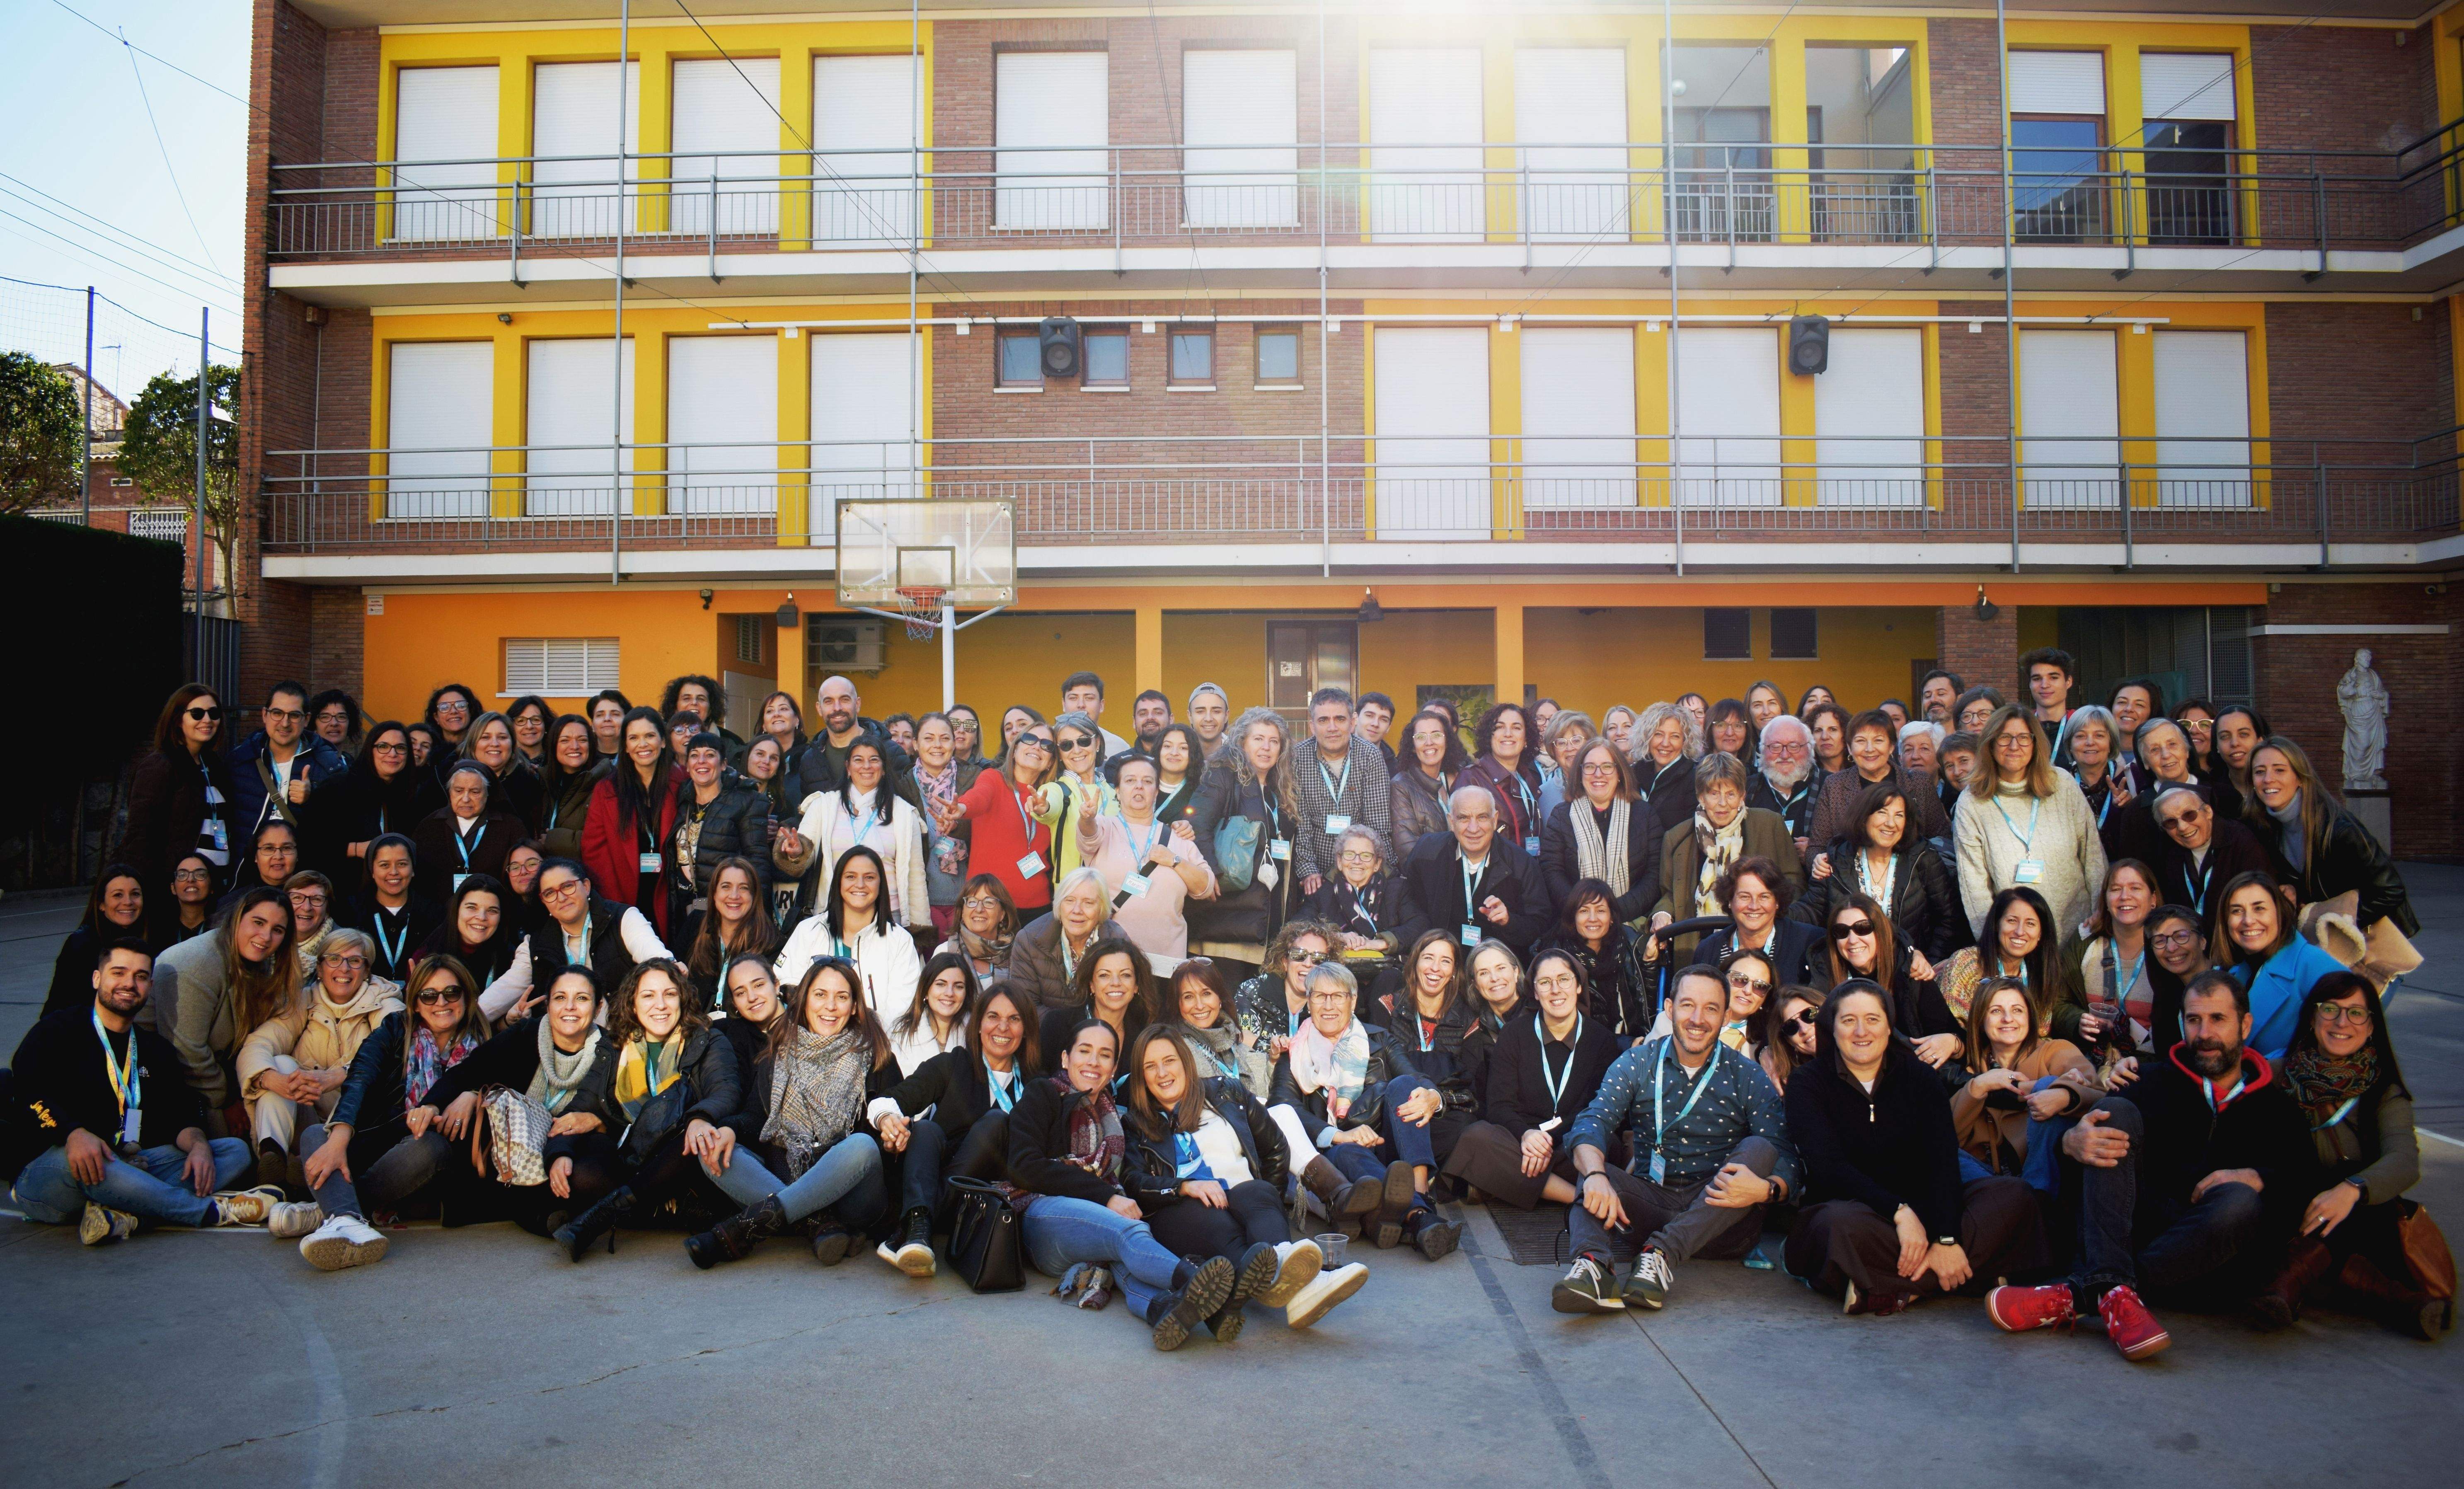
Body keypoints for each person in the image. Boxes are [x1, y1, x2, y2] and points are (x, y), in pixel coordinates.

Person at [1986, 971, 2309, 1360]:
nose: (2204, 1033)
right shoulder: (2149, 1082)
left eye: (2218, 1019)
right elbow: (2088, 1170)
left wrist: (2258, 1177)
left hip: (2205, 1266)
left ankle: (2090, 1292)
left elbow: (2302, 1188)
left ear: (2245, 1024)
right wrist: (2069, 1144)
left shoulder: (2279, 1109)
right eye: (2194, 1020)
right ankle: (2114, 1292)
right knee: (2114, 1112)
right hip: (2132, 1236)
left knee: (2239, 1200)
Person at [1784, 979, 2046, 1316]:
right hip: (1858, 1211)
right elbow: (1829, 1168)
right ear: (1831, 1028)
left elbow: (1942, 1160)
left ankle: (1892, 1288)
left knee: (2014, 1196)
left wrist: (1946, 1238)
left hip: (1926, 1210)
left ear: (1889, 1026)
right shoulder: (1807, 1084)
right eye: (1849, 1020)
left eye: (1873, 1019)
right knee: (1835, 1227)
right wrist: (1899, 1212)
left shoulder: (1920, 1077)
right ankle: (1975, 1277)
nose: (1861, 1031)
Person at [1552, 963, 1800, 1313]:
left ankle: (1662, 1254)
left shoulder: (1746, 1074)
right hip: (1652, 1202)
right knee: (1593, 1168)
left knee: (1760, 1149)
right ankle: (1595, 1268)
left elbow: (1787, 1152)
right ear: (1669, 1009)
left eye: (1711, 1008)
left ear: (1726, 1015)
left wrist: (1767, 1189)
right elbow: (1593, 1121)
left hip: (1720, 1219)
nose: (1697, 1018)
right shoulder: (1637, 1062)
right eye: (1687, 1005)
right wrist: (1595, 1175)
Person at [1004, 1017, 1241, 1349]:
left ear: (1114, 1067)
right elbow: (1024, 1166)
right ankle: (1197, 1281)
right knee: (1126, 1232)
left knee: (1124, 1259)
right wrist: (1105, 1196)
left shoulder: (1112, 1114)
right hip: (1041, 1218)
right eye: (1084, 1051)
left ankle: (1165, 1309)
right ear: (1064, 1058)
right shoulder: (1043, 1093)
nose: (1093, 1062)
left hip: (1093, 1226)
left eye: (1104, 1055)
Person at [8, 939, 264, 1243]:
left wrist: (198, 1145)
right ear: (97, 978)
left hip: (127, 1165)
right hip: (53, 1172)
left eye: (140, 976)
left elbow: (178, 1114)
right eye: (119, 972)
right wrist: (72, 1133)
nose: (129, 983)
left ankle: (126, 1215)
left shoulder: (154, 1049)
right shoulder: (58, 1029)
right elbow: (26, 1089)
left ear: (150, 985)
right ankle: (208, 1211)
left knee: (233, 1152)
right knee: (89, 1157)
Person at [1121, 1024, 1368, 1334]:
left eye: (1169, 1060)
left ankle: (1286, 1274)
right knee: (1220, 1224)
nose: (1162, 1073)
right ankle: (1304, 1283)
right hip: (1183, 1213)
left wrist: (1270, 1204)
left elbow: (1276, 1147)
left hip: (1241, 1199)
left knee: (1260, 1192)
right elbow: (1133, 1181)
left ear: (1185, 1061)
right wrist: (1184, 1186)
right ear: (1141, 1076)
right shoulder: (1136, 1123)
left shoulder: (1228, 1092)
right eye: (1150, 1066)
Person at [2259, 972, 2449, 1338]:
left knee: (2360, 1189)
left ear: (2372, 1025)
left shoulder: (2383, 1091)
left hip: (2362, 1217)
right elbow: (2213, 1080)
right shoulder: (2277, 1075)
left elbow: (2405, 1159)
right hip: (2292, 1207)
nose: (2342, 1022)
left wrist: (2351, 1189)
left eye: (2356, 1013)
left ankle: (2286, 1284)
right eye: (2330, 1009)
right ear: (2312, 1019)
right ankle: (2403, 1302)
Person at [685, 957, 894, 1266]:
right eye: (820, 995)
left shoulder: (874, 1053)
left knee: (861, 1146)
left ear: (853, 1007)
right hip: (791, 1174)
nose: (830, 1006)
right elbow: (758, 1117)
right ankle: (817, 1223)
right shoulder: (779, 1051)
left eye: (842, 997)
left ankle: (746, 1227)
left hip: (854, 1194)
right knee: (712, 1150)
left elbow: (889, 1115)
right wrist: (728, 1130)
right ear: (805, 1000)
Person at [287, 952, 491, 1268]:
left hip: (438, 1168)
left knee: (428, 1145)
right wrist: (340, 1136)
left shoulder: (487, 1041)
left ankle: (333, 1208)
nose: (442, 1002)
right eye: (429, 994)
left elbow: (508, 1081)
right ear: (415, 1002)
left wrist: (474, 1092)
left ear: (466, 995)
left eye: (452, 992)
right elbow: (361, 1075)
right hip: (385, 1147)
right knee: (318, 1134)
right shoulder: (396, 1029)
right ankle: (347, 1218)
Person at [544, 959, 746, 1260]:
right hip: (634, 1156)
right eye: (648, 996)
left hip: (685, 1157)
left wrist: (701, 1117)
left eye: (670, 994)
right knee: (582, 1169)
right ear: (633, 1004)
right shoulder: (614, 1048)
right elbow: (578, 1110)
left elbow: (727, 1090)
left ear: (683, 998)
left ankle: (600, 1218)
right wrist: (560, 1154)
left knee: (694, 1138)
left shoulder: (707, 1038)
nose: (660, 1005)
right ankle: (664, 1206)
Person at [1267, 961, 1458, 1259]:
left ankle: (1418, 1194)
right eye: (1319, 996)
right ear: (1309, 1001)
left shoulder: (1379, 1039)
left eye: (1338, 996)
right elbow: (1283, 1108)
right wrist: (1339, 1135)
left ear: (1353, 1000)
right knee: (1346, 1152)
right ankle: (1419, 1216)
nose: (1328, 1005)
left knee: (1406, 1084)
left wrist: (1433, 1095)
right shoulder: (1293, 1053)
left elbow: (1415, 1077)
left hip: (1388, 1148)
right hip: (1340, 1155)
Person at [860, 977, 1038, 1275]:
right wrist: (889, 1122)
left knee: (997, 1122)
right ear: (979, 1024)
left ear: (1026, 1029)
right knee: (926, 1130)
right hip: (927, 1186)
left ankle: (910, 1231)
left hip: (985, 1203)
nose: (1003, 1028)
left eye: (1014, 1019)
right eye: (993, 1017)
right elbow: (885, 1101)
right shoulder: (953, 1064)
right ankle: (919, 1228)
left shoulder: (1035, 1084)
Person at [1445, 945, 1616, 1211]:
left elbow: (1595, 1107)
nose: (1556, 990)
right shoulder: (1515, 1034)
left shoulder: (1601, 1040)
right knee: (1477, 1138)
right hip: (1522, 1141)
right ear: (1535, 992)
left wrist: (1548, 1141)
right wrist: (1526, 1135)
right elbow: (1500, 1105)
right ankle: (1578, 1198)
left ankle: (1508, 1184)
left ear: (1579, 986)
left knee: (1608, 1149)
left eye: (1564, 980)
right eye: (1545, 983)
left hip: (1572, 1143)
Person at [235, 926, 402, 1194]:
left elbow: (398, 1053)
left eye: (355, 961)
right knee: (281, 1064)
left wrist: (339, 1075)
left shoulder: (387, 1002)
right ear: (321, 968)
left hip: (359, 1120)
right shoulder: (302, 1000)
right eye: (334, 959)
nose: (344, 968)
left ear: (367, 970)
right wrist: (271, 1078)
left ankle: (306, 1171)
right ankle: (273, 1157)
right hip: (309, 1112)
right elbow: (258, 1044)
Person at [144, 888, 298, 1137]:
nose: (266, 936)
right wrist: (226, 1101)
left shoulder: (259, 962)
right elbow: (187, 1051)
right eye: (258, 923)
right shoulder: (196, 965)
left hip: (218, 1072)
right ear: (238, 917)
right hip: (168, 1081)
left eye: (278, 930)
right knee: (239, 1143)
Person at [1363, 931, 1478, 1250]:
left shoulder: (1467, 1020)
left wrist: (1437, 1100)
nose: (1435, 968)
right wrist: (1422, 1091)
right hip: (1395, 1109)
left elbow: (1471, 1089)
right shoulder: (1388, 1006)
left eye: (1446, 961)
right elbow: (1378, 1069)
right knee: (1402, 1087)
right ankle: (1423, 1197)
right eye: (1428, 958)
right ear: (1414, 963)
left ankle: (1406, 1199)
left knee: (1467, 1127)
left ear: (1455, 972)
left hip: (1441, 1118)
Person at [1955, 705, 2106, 940]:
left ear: (2035, 743)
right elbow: (1974, 885)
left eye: (2024, 738)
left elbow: (2093, 856)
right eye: (2005, 738)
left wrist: (2101, 915)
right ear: (1990, 744)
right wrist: (1993, 944)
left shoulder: (2062, 785)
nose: (2014, 746)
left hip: (2079, 932)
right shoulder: (1972, 801)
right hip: (2016, 939)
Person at [2246, 736, 2416, 935]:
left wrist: (2338, 923)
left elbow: (2391, 891)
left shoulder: (2339, 829)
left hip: (2362, 937)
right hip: (2320, 933)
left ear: (2300, 778)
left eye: (2280, 770)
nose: (2268, 779)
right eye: (2260, 772)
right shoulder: (2263, 826)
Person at [1647, 757, 1805, 967]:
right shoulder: (1677, 838)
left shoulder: (1770, 824)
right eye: (1714, 794)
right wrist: (1662, 914)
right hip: (1700, 948)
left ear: (1743, 796)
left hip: (1763, 944)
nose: (1723, 803)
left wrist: (1768, 917)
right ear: (1701, 796)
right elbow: (1669, 893)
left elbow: (1794, 884)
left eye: (1731, 794)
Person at [478, 857, 673, 1022]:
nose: (561, 898)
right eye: (550, 893)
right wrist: (462, 1021)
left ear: (586, 887)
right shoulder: (535, 944)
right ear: (544, 901)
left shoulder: (623, 918)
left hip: (623, 1039)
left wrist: (669, 966)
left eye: (568, 887)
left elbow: (654, 955)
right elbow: (502, 992)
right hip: (565, 1045)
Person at [1951, 977, 2100, 1183]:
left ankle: (2037, 1196)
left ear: (2030, 1017)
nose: (2007, 1019)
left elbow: (2099, 1093)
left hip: (2039, 1172)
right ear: (1981, 1021)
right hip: (1986, 1177)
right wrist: (1978, 1086)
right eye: (1996, 1011)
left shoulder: (2055, 1051)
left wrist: (2066, 1094)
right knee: (1933, 1149)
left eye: (2017, 1010)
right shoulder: (1971, 1069)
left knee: (2048, 1085)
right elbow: (1949, 1138)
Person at [1077, 753, 1217, 973]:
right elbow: (1088, 835)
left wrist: (1174, 861)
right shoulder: (1104, 828)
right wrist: (1087, 818)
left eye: (1148, 781)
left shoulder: (1178, 836)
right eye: (1130, 781)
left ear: (1156, 792)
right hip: (1111, 958)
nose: (1139, 787)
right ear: (1118, 791)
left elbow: (1205, 887)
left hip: (1167, 960)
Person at [1799, 779, 1965, 964]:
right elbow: (1811, 911)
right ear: (1864, 818)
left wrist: (1929, 963)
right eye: (1882, 813)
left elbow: (1950, 918)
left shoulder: (1923, 857)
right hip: (1852, 972)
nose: (1891, 823)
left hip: (1912, 971)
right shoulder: (1835, 860)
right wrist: (1773, 908)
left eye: (1899, 815)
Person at [779, 734, 927, 931]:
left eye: (874, 760)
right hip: (834, 915)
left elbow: (916, 878)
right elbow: (804, 861)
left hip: (890, 917)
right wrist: (797, 853)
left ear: (884, 769)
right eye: (859, 760)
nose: (866, 766)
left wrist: (919, 932)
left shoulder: (904, 814)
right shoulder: (824, 806)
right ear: (848, 768)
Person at [1187, 706, 1305, 944]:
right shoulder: (1222, 776)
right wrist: (1212, 874)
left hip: (1272, 908)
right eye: (1259, 739)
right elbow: (1197, 826)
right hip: (1229, 911)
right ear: (1242, 743)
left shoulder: (1280, 789)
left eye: (1274, 741)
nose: (1267, 747)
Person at [774, 845, 924, 1022]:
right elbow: (784, 985)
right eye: (851, 877)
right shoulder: (808, 930)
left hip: (875, 1043)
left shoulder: (900, 941)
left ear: (881, 884)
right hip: (811, 1041)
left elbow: (902, 1013)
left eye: (869, 878)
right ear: (839, 882)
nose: (860, 885)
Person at [929, 717, 1059, 919]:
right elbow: (980, 797)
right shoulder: (993, 778)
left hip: (1038, 908)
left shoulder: (1052, 795)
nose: (1037, 747)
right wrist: (962, 807)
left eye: (1047, 745)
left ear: (1051, 762)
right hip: (987, 905)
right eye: (1030, 739)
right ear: (1015, 750)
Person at [1394, 786, 1547, 954]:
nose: (1473, 829)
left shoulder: (1521, 864)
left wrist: (1509, 921)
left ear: (1495, 820)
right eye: (1464, 818)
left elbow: (1540, 925)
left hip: (1496, 967)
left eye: (1482, 817)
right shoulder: (1426, 854)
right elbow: (1412, 911)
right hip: (1444, 962)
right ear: (1451, 822)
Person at [665, 731, 778, 953]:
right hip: (687, 913)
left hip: (729, 914)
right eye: (695, 756)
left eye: (710, 755)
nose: (702, 762)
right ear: (687, 766)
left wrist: (759, 920)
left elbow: (758, 862)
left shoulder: (746, 801)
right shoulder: (682, 803)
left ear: (724, 764)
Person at [121, 684, 237, 900]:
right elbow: (139, 835)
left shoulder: (214, 765)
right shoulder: (160, 766)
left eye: (214, 713)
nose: (207, 720)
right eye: (197, 714)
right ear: (177, 719)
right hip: (177, 887)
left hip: (217, 885)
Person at [2212, 869, 2342, 1061]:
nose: (2248, 921)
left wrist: (2271, 1068)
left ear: (2279, 912)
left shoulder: (2319, 968)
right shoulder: (2235, 971)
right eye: (2237, 911)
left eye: (2259, 909)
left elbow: (2344, 1045)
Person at [1807, 892, 1956, 1058]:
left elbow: (1949, 1035)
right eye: (1841, 932)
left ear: (1880, 931)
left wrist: (1953, 1042)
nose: (1852, 940)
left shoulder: (1911, 972)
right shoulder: (1823, 977)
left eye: (1862, 928)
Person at [581, 707, 684, 943]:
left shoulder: (683, 784)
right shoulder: (607, 791)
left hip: (673, 898)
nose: (643, 744)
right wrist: (619, 908)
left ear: (663, 741)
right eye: (634, 738)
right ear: (625, 747)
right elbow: (595, 852)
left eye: (649, 736)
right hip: (625, 897)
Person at [1541, 738, 1662, 926]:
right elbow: (1552, 872)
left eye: (1607, 767)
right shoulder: (1561, 816)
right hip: (1577, 925)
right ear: (1580, 774)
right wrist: (1584, 913)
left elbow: (1654, 875)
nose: (1598, 774)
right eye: (1590, 767)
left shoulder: (1645, 815)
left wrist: (1613, 914)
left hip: (1631, 923)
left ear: (1620, 773)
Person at [1290, 689, 1392, 897]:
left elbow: (1377, 825)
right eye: (1324, 720)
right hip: (1316, 871)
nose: (1332, 728)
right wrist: (1308, 869)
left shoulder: (1370, 756)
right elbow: (1301, 823)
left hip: (1361, 868)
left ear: (1352, 722)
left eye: (1340, 719)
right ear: (1312, 726)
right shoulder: (1297, 757)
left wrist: (1369, 869)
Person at [1807, 710, 1949, 852]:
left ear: (1892, 747)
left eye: (1878, 741)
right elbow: (1817, 848)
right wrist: (1820, 861)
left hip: (1913, 872)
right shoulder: (1834, 785)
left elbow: (1941, 838)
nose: (1870, 749)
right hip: (1850, 872)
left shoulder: (1919, 782)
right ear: (1850, 748)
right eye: (1861, 741)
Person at [228, 680, 348, 842]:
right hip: (248, 865)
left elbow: (341, 830)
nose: (285, 723)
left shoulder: (330, 767)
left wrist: (313, 798)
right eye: (277, 713)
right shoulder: (239, 761)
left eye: (294, 715)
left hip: (303, 864)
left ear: (306, 720)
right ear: (265, 715)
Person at [1537, 879, 1651, 1037]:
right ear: (1573, 917)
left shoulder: (1631, 944)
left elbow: (1648, 1002)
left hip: (1634, 1043)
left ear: (1612, 916)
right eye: (1584, 911)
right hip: (1582, 1048)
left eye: (1601, 911)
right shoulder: (1557, 956)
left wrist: (1649, 963)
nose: (1593, 918)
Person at [2072, 860, 2157, 1068]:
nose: (2125, 896)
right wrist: (2077, 1022)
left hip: (2148, 1066)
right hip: (2090, 1061)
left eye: (2135, 888)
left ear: (2153, 900)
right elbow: (2059, 1000)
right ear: (2106, 901)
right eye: (2116, 889)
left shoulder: (2168, 949)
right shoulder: (2086, 942)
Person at [1036, 937, 1158, 1078]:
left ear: (1136, 985)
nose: (1116, 983)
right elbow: (1038, 1083)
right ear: (1092, 985)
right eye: (1104, 975)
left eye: (1126, 975)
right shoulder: (1057, 1025)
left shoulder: (1144, 1036)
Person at [908, 712, 985, 937]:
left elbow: (987, 830)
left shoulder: (975, 778)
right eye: (929, 738)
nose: (937, 745)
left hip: (969, 899)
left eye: (945, 738)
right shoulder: (902, 785)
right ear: (915, 744)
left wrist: (957, 827)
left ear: (954, 743)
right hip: (922, 899)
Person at [2147, 782, 2269, 922]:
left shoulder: (2241, 842)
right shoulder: (2169, 854)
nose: (2182, 827)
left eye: (2189, 815)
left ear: (2208, 812)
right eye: (2170, 822)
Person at [791, 675, 917, 807]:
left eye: (844, 700)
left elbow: (906, 809)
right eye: (829, 701)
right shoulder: (810, 759)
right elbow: (807, 812)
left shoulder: (891, 752)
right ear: (819, 709)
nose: (837, 708)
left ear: (857, 704)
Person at [411, 762, 524, 907]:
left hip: (493, 911)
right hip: (438, 914)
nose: (465, 799)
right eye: (459, 791)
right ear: (450, 792)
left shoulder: (511, 826)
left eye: (475, 792)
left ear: (488, 793)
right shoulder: (428, 826)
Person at [45, 865, 150, 1020]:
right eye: (118, 895)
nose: (128, 902)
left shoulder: (152, 941)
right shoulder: (82, 944)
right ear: (101, 904)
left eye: (135, 894)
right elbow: (61, 1005)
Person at [1004, 866, 1115, 1012]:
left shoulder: (1118, 941)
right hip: (1047, 1031)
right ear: (1059, 904)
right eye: (1069, 901)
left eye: (1088, 903)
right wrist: (1064, 1029)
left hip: (1100, 1031)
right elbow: (1026, 1006)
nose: (1077, 910)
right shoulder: (1029, 940)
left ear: (1101, 908)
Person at [1299, 825, 1411, 969]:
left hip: (1386, 970)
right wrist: (1337, 937)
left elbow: (1418, 926)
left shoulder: (1398, 889)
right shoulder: (1322, 892)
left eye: (1366, 856)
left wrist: (1381, 943)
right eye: (1350, 854)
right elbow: (1298, 926)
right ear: (1339, 862)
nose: (1357, 861)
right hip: (1334, 971)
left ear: (1377, 864)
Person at [1233, 920, 1337, 1075]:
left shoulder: (1334, 1005)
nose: (1308, 964)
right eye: (1299, 955)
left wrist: (1260, 1044)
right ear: (1285, 962)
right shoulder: (1252, 993)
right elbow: (1243, 1050)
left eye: (1319, 959)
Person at [683, 857, 779, 1008]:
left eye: (744, 888)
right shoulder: (694, 925)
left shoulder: (771, 942)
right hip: (694, 1026)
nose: (734, 896)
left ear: (754, 896)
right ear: (714, 894)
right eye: (726, 887)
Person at [1040, 712, 1120, 883]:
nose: (1077, 750)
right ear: (1059, 754)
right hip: (1073, 894)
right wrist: (1043, 807)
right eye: (1066, 745)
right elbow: (1049, 804)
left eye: (1084, 741)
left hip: (1114, 892)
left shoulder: (1115, 793)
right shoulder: (1058, 790)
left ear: (1097, 743)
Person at [344, 834, 435, 985]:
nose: (394, 872)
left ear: (413, 869)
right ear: (372, 870)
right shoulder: (352, 911)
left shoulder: (433, 913)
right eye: (384, 865)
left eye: (402, 864)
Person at [1388, 705, 1470, 864]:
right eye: (1420, 737)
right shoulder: (1401, 786)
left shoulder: (1461, 778)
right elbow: (1408, 850)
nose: (1429, 743)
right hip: (1431, 879)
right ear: (1412, 746)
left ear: (1447, 741)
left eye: (1436, 735)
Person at [1462, 702, 1544, 857]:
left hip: (1527, 873)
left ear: (1526, 739)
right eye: (1500, 727)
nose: (1508, 734)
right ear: (1489, 736)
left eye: (1516, 728)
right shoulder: (1472, 779)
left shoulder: (1527, 778)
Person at [411, 874, 520, 985]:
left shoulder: (514, 959)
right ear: (456, 909)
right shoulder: (425, 956)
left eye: (492, 911)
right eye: (472, 908)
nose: (482, 917)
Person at [2061, 705, 2136, 860]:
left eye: (2099, 736)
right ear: (2070, 745)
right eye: (2081, 736)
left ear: (2111, 744)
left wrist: (2131, 808)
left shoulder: (2129, 780)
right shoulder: (2060, 784)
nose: (2090, 742)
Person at [887, 953, 976, 1077]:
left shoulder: (978, 1033)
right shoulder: (900, 1034)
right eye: (941, 984)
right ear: (926, 990)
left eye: (958, 986)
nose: (949, 993)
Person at [458, 709, 544, 833]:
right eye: (485, 737)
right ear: (472, 746)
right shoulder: (453, 782)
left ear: (513, 746)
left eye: (502, 737)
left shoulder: (529, 783)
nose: (495, 744)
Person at [1745, 714, 1820, 849]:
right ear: (1762, 750)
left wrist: (1817, 850)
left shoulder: (1831, 787)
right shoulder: (1746, 790)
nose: (1785, 755)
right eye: (1775, 747)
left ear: (1810, 749)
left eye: (1794, 746)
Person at [1624, 701, 1702, 831]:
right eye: (1659, 734)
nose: (1666, 743)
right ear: (1647, 737)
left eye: (1675, 736)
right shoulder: (1632, 775)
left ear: (1685, 742)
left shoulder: (1694, 781)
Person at [937, 873, 1018, 983]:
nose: (979, 909)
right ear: (962, 912)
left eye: (988, 902)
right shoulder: (944, 952)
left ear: (1002, 914)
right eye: (972, 902)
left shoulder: (1018, 954)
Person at [1756, 985, 1823, 1092]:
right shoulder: (1799, 1086)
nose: (1804, 1029)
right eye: (1791, 1027)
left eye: (1809, 1015)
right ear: (1789, 1042)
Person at [661, 674, 743, 757]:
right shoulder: (660, 737)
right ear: (675, 707)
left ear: (711, 709)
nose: (694, 703)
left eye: (701, 699)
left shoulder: (732, 743)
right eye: (687, 699)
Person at [1534, 708, 1595, 816]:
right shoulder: (1543, 795)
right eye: (1561, 743)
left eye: (1576, 741)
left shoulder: (1604, 784)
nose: (1570, 748)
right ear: (1553, 750)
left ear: (1590, 744)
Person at [1149, 721, 1207, 830]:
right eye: (1168, 746)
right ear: (1159, 750)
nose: (1174, 753)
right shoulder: (1143, 785)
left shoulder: (1202, 792)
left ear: (1193, 754)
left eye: (1183, 748)